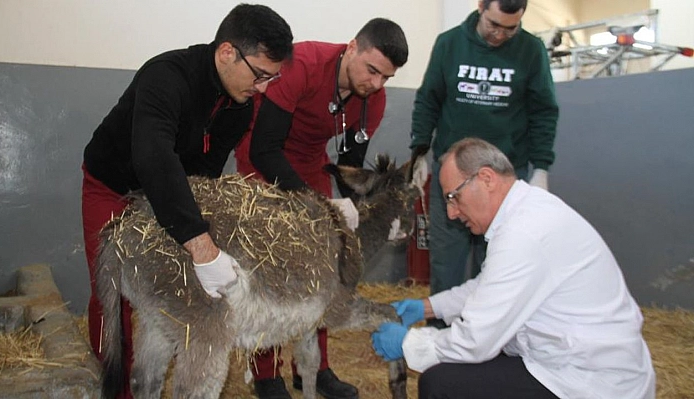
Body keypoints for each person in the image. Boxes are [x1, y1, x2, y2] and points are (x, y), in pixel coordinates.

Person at [81, 4, 293, 398]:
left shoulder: (240, 106)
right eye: (260, 74)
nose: (262, 88)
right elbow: (154, 159)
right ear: (228, 52)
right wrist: (201, 246)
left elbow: (203, 177)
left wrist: (206, 236)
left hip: (169, 196)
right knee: (111, 289)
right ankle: (115, 387)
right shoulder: (166, 75)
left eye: (272, 78)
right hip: (113, 185)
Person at [371, 138, 656, 398]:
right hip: (570, 362)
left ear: (486, 178)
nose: (451, 213)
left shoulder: (523, 233)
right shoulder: (526, 212)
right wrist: (427, 307)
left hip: (588, 381)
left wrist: (409, 343)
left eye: (453, 197)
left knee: (441, 385)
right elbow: (490, 287)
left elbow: (475, 341)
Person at [234, 18, 409, 399]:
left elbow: (350, 167)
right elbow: (265, 146)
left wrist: (357, 212)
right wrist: (317, 205)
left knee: (329, 266)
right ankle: (266, 373)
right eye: (372, 70)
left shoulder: (372, 100)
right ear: (351, 48)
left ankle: (314, 368)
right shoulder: (306, 64)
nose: (376, 84)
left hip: (310, 163)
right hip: (262, 159)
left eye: (386, 78)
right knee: (272, 266)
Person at [408, 0, 560, 306]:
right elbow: (429, 100)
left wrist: (541, 167)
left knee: (497, 265)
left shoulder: (531, 50)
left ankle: (490, 337)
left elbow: (543, 111)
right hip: (452, 177)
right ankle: (441, 338)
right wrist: (419, 152)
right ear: (480, 6)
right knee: (446, 264)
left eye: (511, 28)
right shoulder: (449, 44)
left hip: (502, 180)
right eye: (494, 24)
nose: (500, 35)